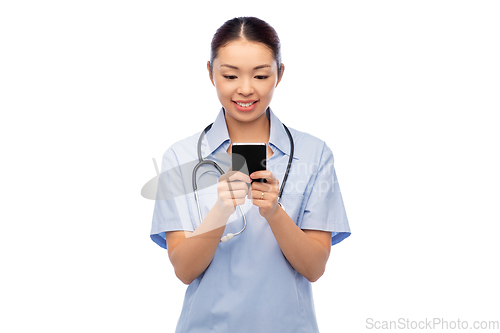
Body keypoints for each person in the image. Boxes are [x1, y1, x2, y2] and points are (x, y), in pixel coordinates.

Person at [150, 16, 351, 333]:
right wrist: (221, 210)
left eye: (260, 75)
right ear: (210, 73)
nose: (245, 89)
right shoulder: (180, 157)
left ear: (279, 74)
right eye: (230, 75)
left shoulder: (314, 154)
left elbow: (314, 267)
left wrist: (274, 212)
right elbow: (184, 270)